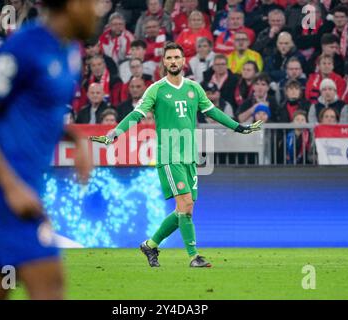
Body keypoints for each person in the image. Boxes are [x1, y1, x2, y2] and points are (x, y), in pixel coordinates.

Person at [0, 0, 95, 300]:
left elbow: (36, 115)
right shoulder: (24, 46)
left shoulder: (71, 53)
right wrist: (11, 187)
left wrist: (75, 138)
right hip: (1, 192)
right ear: (73, 5)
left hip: (11, 190)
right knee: (50, 283)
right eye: (95, 2)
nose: (99, 10)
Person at [91, 42, 262, 268]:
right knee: (185, 202)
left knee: (185, 208)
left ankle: (151, 245)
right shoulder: (156, 89)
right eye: (169, 58)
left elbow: (213, 112)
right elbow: (136, 114)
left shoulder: (194, 88)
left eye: (177, 58)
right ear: (164, 62)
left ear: (183, 61)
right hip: (169, 156)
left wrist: (238, 127)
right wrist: (116, 132)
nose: (173, 61)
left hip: (189, 156)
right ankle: (194, 256)